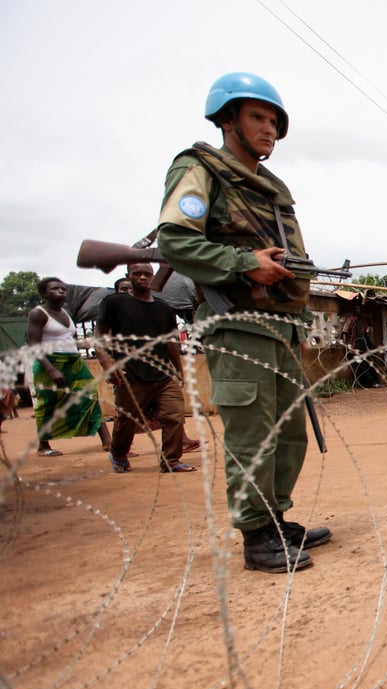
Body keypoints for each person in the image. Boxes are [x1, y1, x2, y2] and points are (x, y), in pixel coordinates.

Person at [157, 72, 330, 573]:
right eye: (258, 117)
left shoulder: (271, 188)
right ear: (227, 119)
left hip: (280, 325)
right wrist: (243, 263)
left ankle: (275, 519)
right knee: (252, 431)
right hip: (238, 322)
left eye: (274, 122)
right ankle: (257, 536)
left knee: (288, 431)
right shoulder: (200, 170)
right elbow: (175, 240)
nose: (269, 129)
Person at [94, 264, 195, 474]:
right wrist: (108, 365)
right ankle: (119, 454)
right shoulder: (115, 303)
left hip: (163, 374)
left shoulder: (163, 307)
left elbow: (171, 342)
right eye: (137, 274)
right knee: (127, 421)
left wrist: (179, 370)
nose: (142, 278)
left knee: (175, 416)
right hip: (130, 374)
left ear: (153, 277)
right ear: (128, 276)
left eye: (147, 274)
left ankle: (171, 460)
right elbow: (99, 336)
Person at [25, 276, 111, 457]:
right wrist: (50, 369)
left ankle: (107, 440)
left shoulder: (66, 314)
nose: (61, 291)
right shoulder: (38, 313)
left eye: (63, 289)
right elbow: (33, 343)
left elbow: (66, 339)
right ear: (44, 293)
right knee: (48, 402)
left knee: (90, 396)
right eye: (55, 288)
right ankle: (43, 445)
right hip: (49, 362)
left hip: (73, 362)